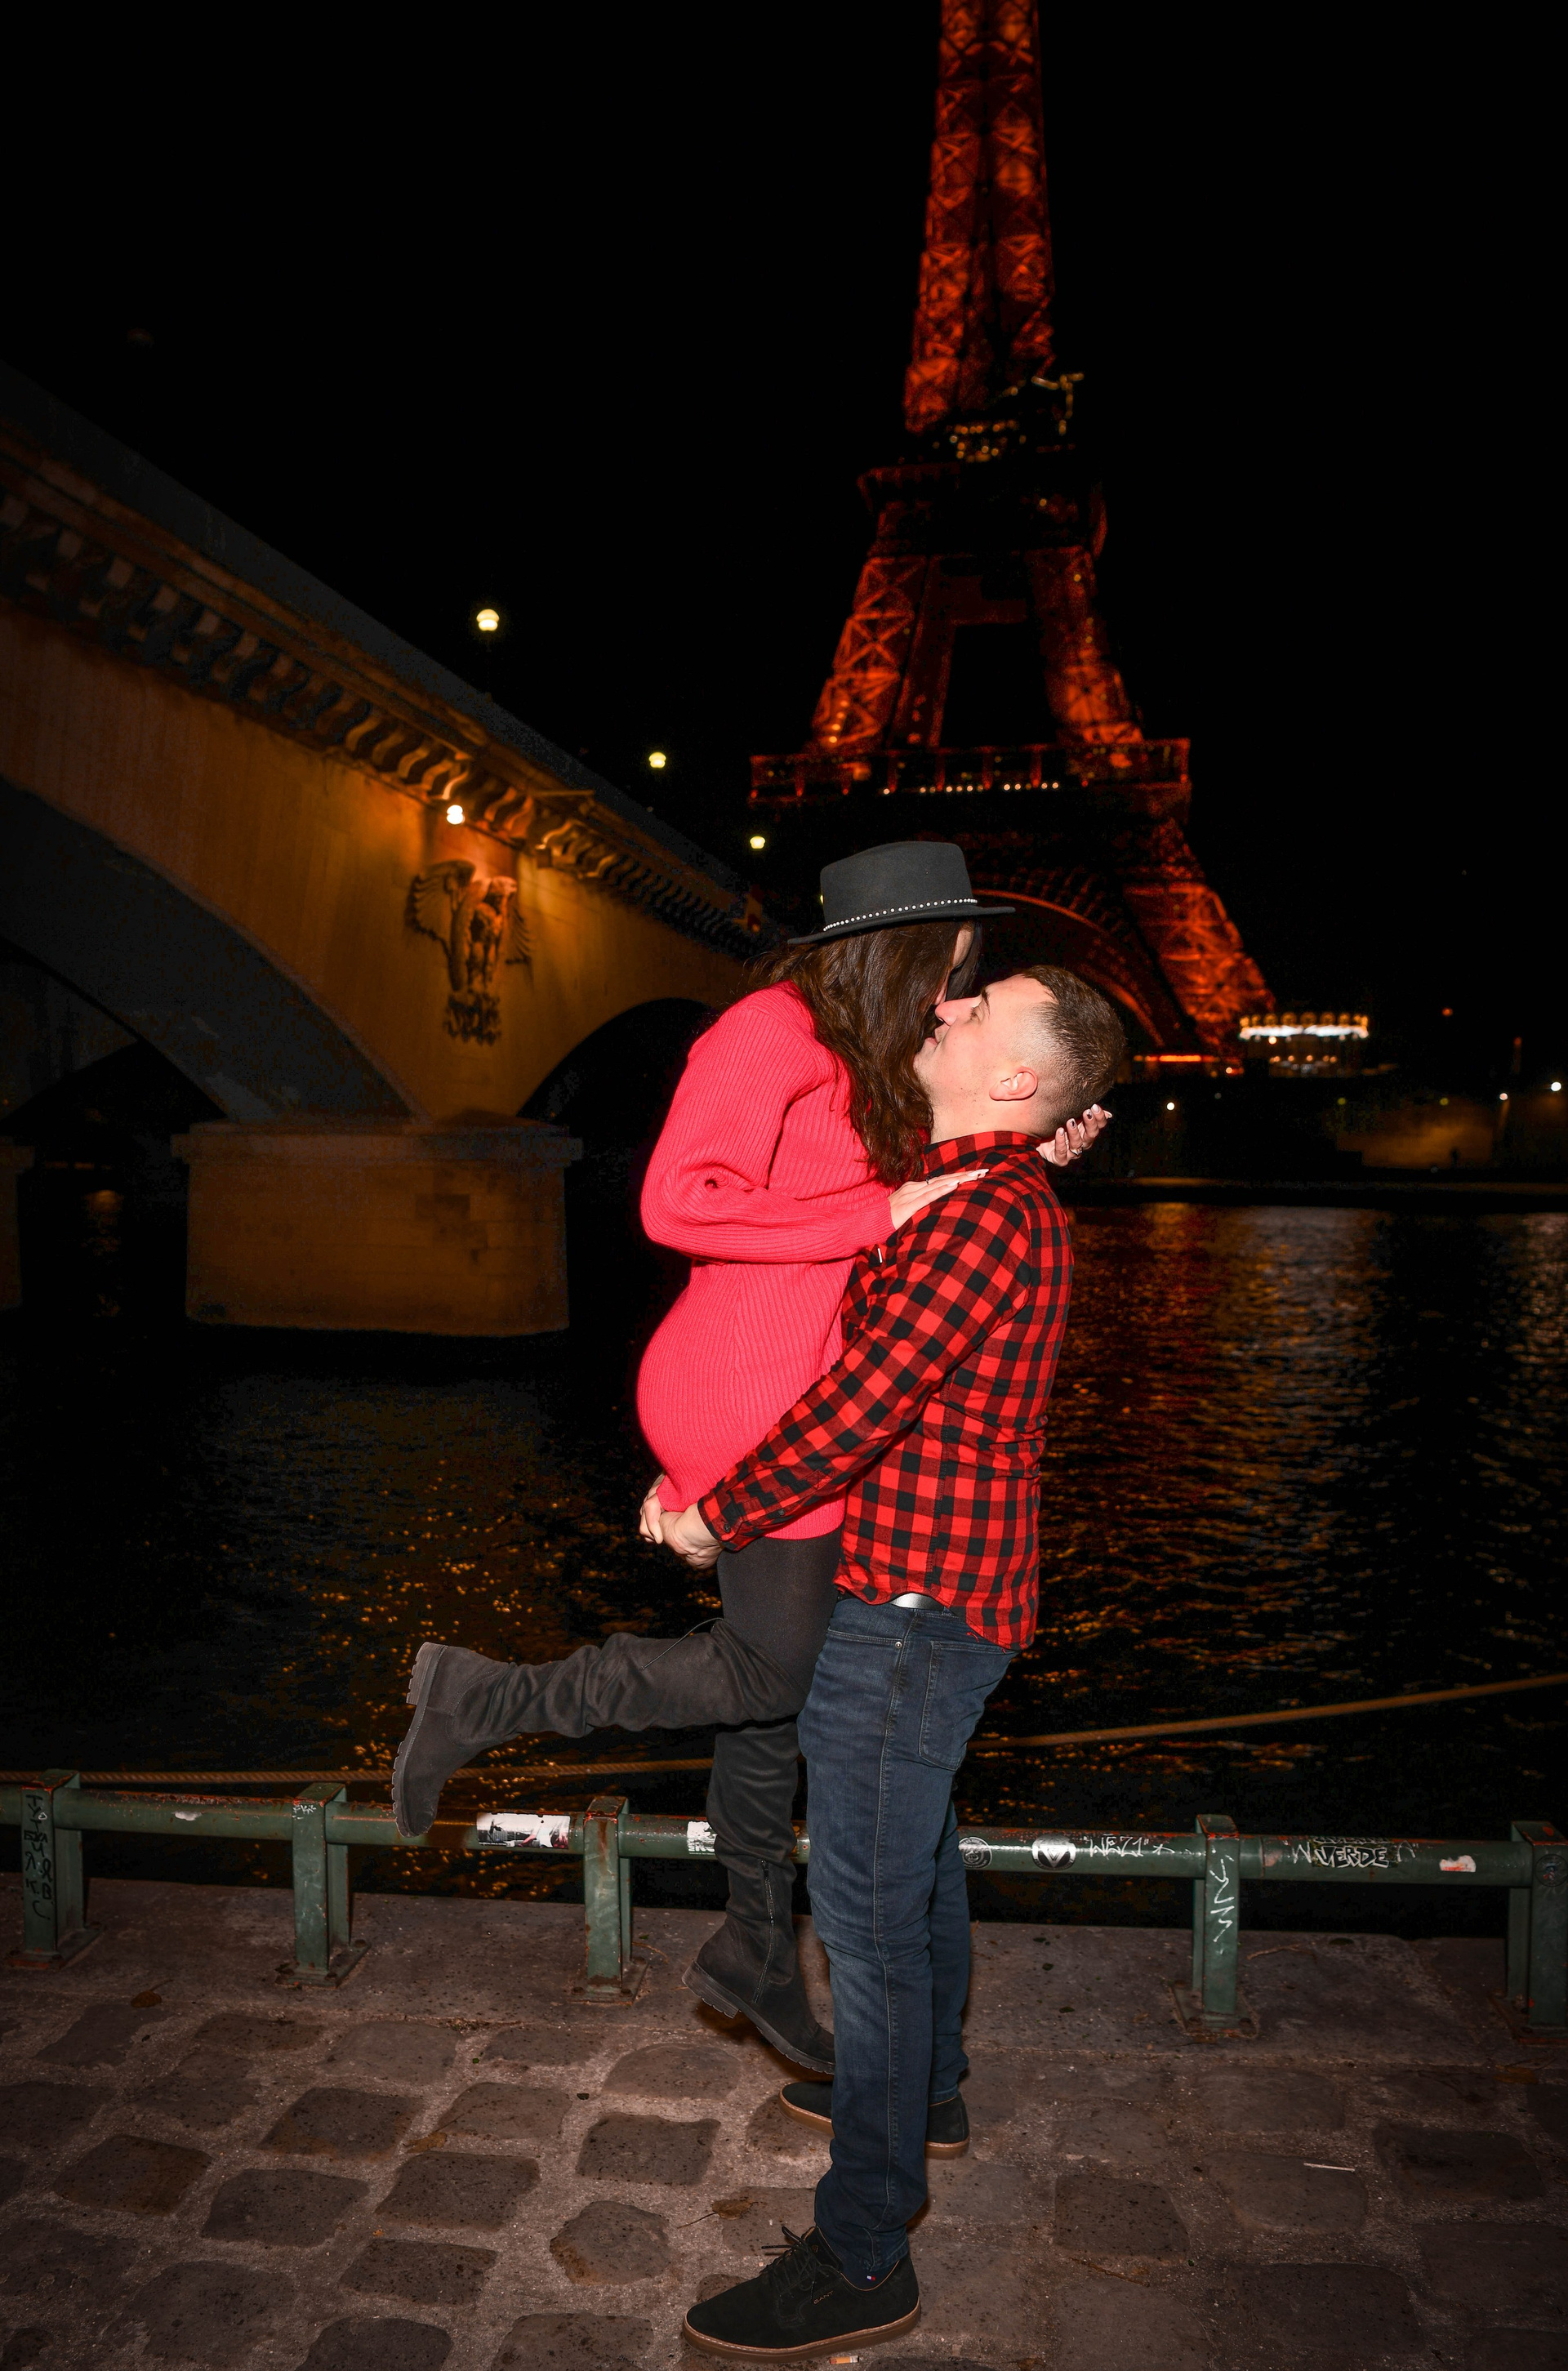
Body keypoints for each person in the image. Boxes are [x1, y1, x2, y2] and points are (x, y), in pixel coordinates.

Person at [389, 843, 1105, 2071]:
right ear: (897, 950)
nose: (955, 994)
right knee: (776, 1671)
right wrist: (872, 1213)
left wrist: (1030, 1146)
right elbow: (676, 1202)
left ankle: (756, 1944)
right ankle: (485, 1700)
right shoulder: (768, 1030)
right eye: (951, 967)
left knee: (772, 1696)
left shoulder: (875, 1055)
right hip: (751, 1384)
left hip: (794, 1381)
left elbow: (938, 1182)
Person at [653, 962, 1128, 2363]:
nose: (948, 1007)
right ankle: (929, 2096)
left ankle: (866, 2250)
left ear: (1017, 1078)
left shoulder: (982, 1217)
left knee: (863, 1922)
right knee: (913, 1867)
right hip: (935, 1599)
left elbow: (862, 1402)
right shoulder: (979, 1188)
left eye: (983, 1009)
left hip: (914, 1612)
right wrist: (1035, 1144)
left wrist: (717, 1512)